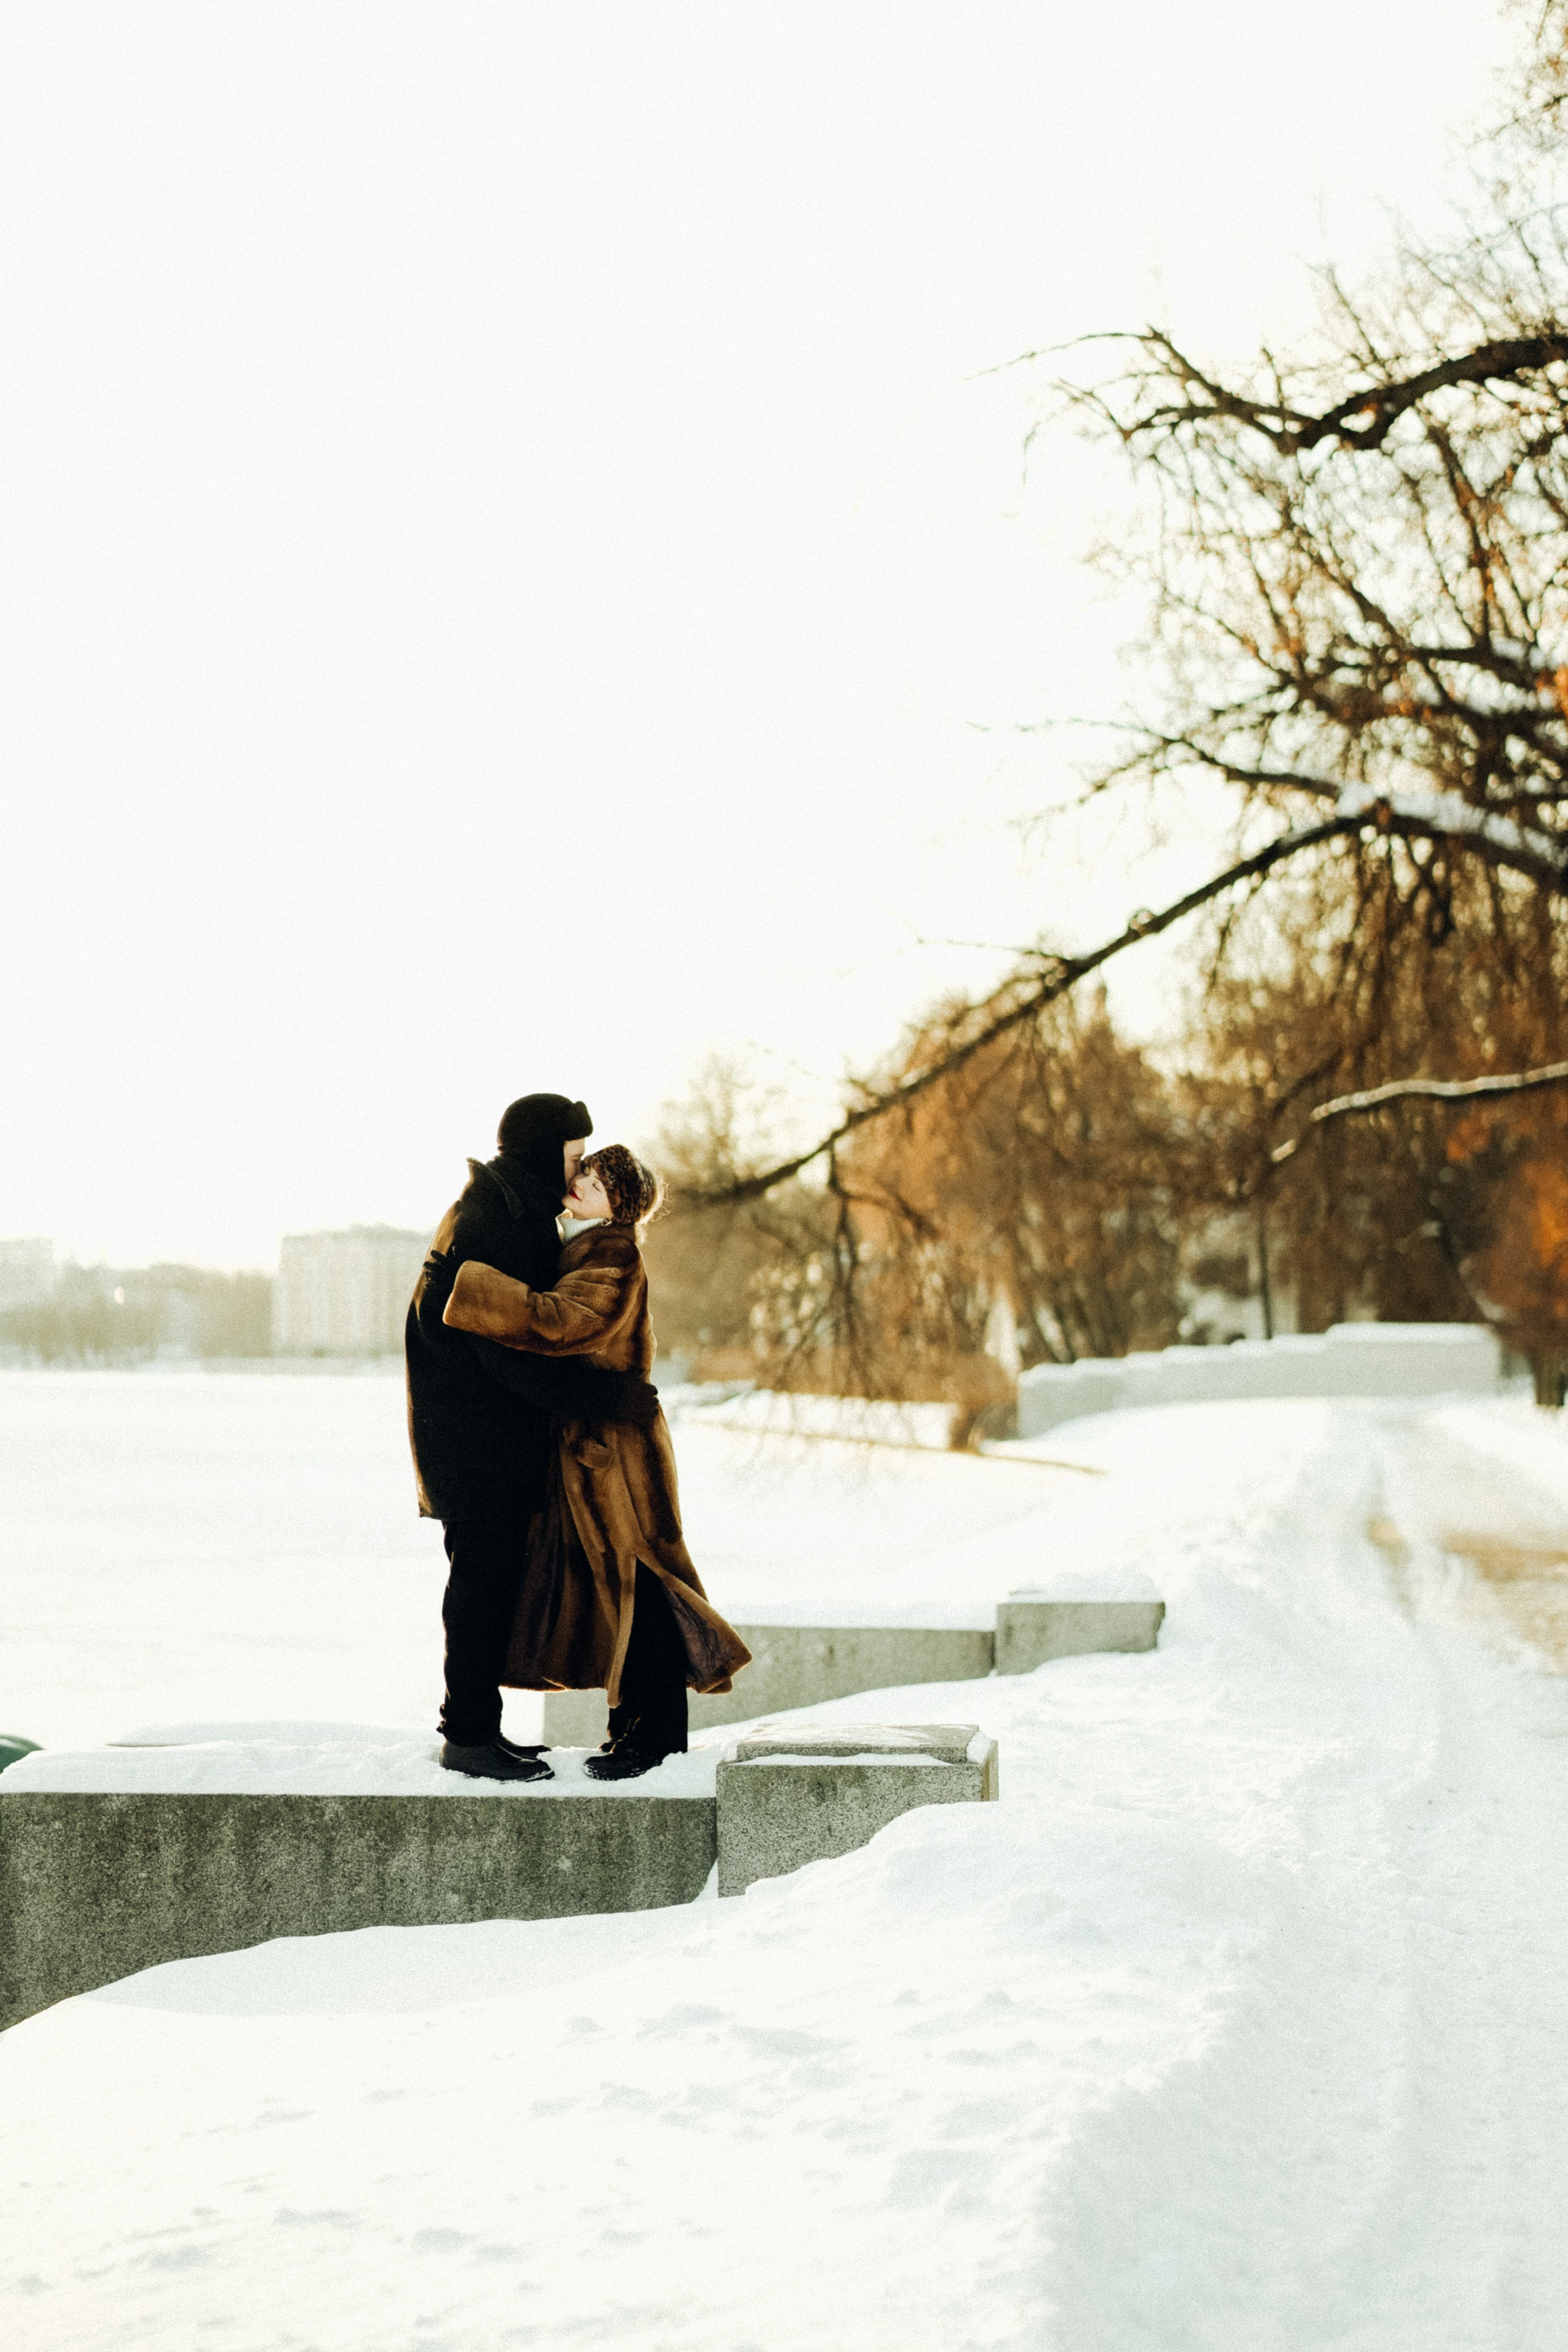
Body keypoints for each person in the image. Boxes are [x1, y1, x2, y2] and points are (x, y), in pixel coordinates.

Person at [442, 1143, 751, 1780]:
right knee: (620, 1586)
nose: (582, 1180)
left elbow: (561, 1322)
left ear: (619, 1206)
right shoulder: (584, 1245)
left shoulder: (611, 1251)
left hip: (617, 1453)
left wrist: (472, 1286)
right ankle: (635, 1729)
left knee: (640, 1581)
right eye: (585, 1169)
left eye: (600, 1180)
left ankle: (656, 1737)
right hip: (598, 1447)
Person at [406, 1094, 661, 1783]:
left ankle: (478, 1728)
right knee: (480, 1587)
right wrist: (604, 1399)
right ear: (544, 1152)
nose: (578, 1170)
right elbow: (508, 1351)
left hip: (478, 1436)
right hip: (475, 1440)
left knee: (487, 1585)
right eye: (574, 1157)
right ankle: (468, 1737)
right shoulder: (495, 1222)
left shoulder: (497, 1208)